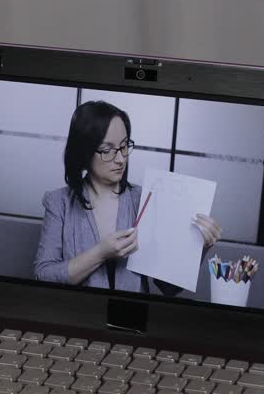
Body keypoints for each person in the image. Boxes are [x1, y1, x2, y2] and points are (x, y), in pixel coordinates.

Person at [34, 101, 221, 293]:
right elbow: (44, 274)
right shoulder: (59, 203)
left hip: (131, 318)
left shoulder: (144, 200)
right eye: (107, 150)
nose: (121, 158)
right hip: (78, 316)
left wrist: (200, 247)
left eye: (124, 147)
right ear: (84, 152)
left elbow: (168, 288)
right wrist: (101, 252)